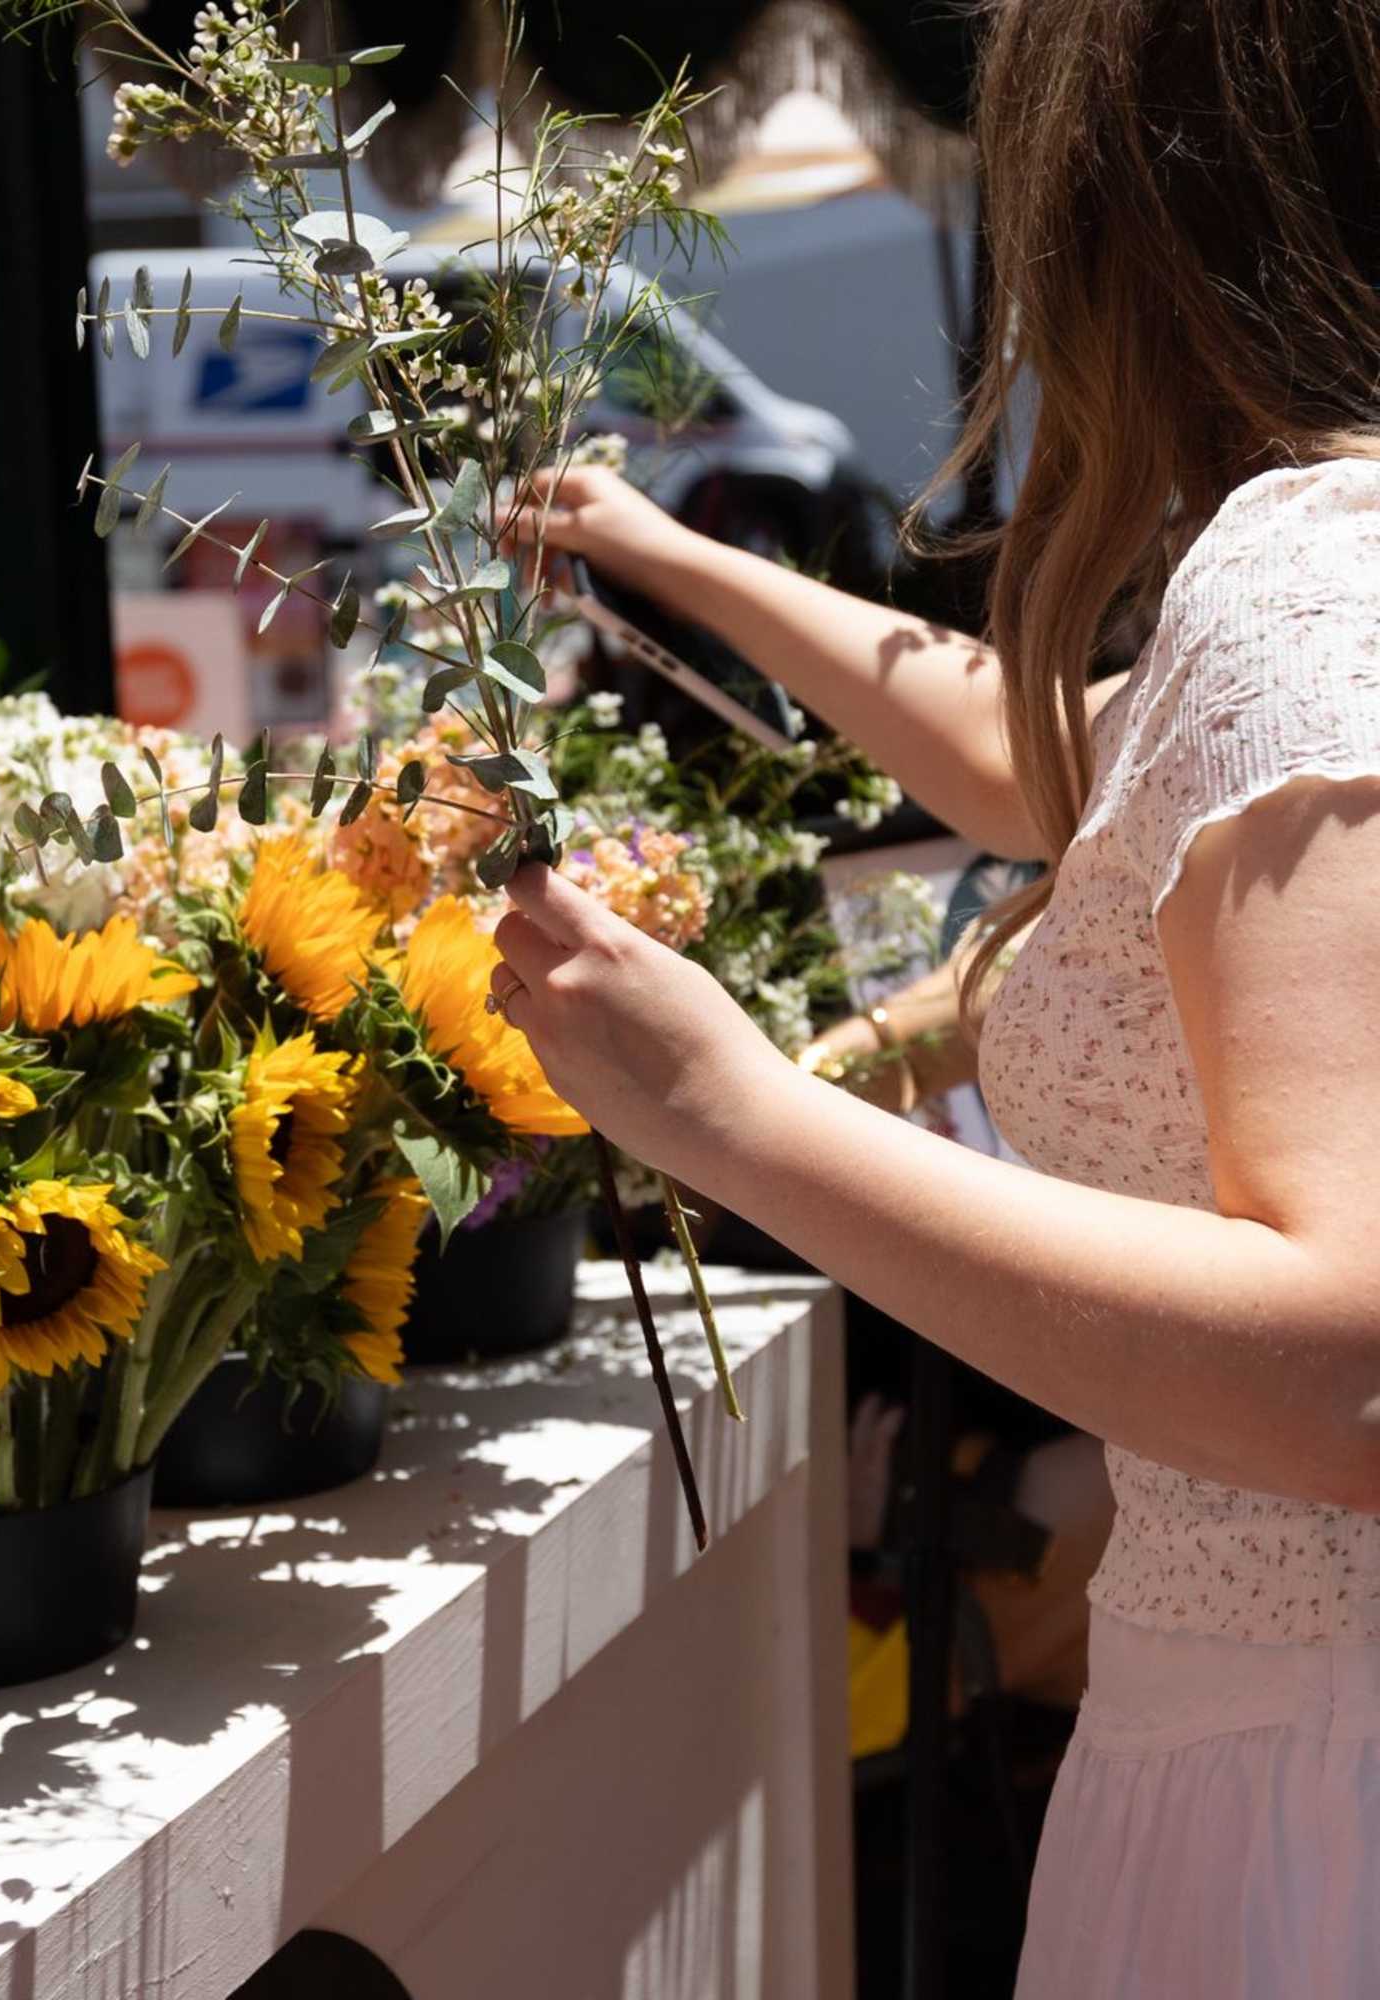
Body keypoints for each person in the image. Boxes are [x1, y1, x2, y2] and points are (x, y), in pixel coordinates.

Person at [494, 2, 1380, 1990]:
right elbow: (1052, 754)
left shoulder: (1311, 576)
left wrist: (727, 1111)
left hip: (1306, 1796)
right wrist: (664, 553)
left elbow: (1349, 1369)